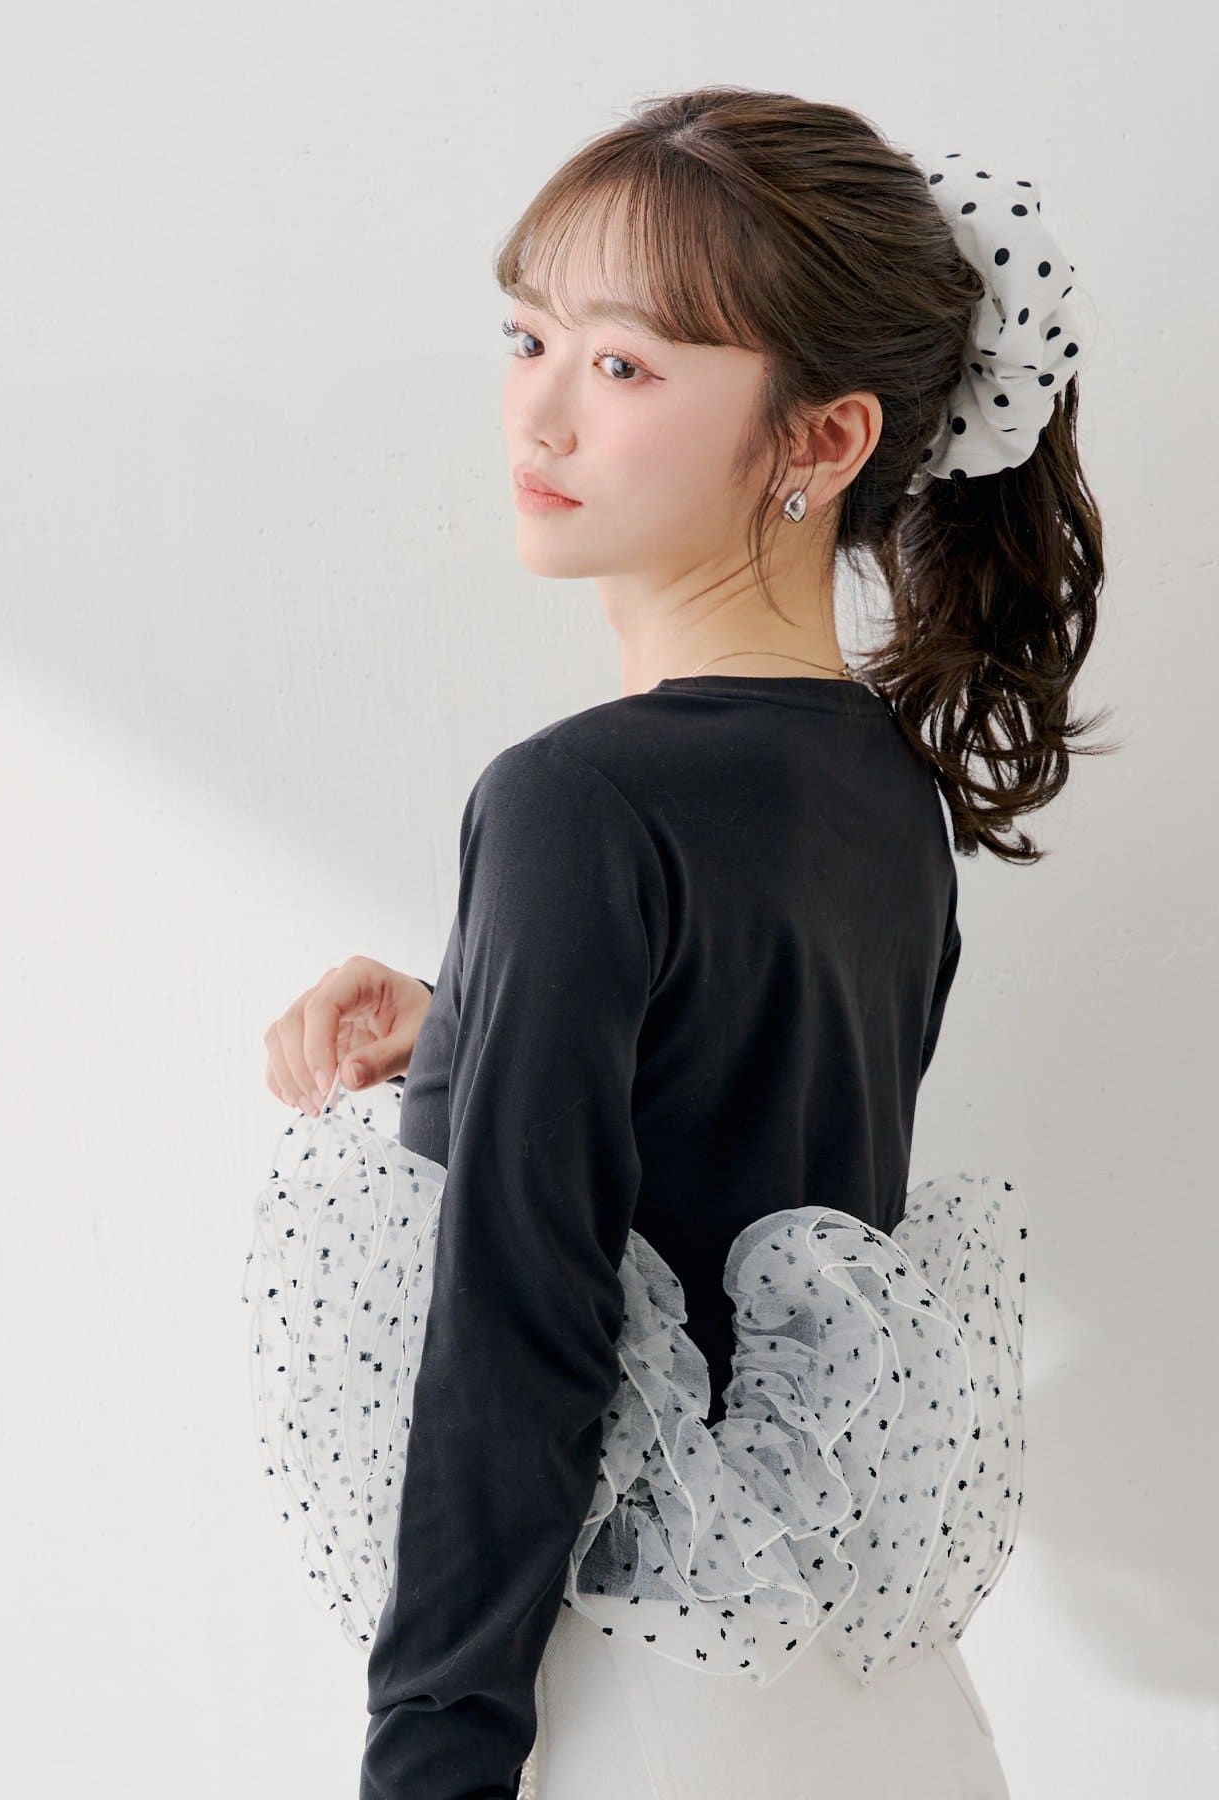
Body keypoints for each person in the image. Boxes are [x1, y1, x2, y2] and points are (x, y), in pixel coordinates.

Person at [255, 85, 1107, 1800]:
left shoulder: (576, 802)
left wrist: (431, 1758)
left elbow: (520, 1346)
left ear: (823, 440)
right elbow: (741, 1116)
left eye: (625, 365)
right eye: (528, 337)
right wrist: (474, 1018)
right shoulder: (885, 788)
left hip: (630, 1703)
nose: (539, 410)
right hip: (880, 1710)